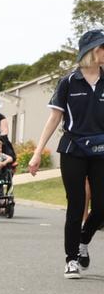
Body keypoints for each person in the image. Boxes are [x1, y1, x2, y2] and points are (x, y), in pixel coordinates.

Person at [29, 29, 104, 279]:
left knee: (102, 207)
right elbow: (54, 118)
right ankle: (71, 258)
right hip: (73, 149)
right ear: (92, 52)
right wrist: (38, 153)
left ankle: (83, 239)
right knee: (76, 204)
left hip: (101, 151)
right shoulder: (69, 82)